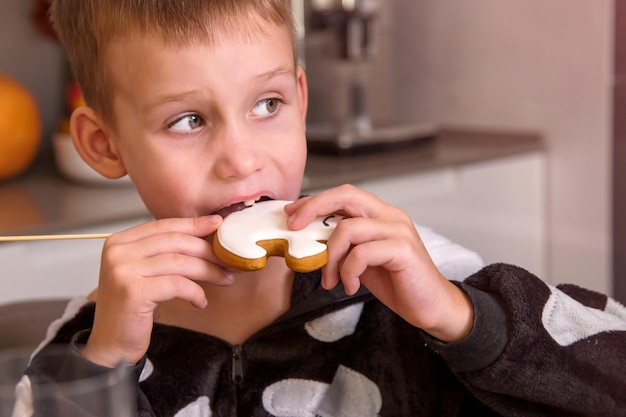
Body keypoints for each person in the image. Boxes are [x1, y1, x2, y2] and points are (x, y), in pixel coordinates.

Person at [17, 0, 625, 416]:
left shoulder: (413, 280)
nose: (241, 159)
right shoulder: (90, 341)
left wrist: (461, 317)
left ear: (301, 101)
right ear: (104, 144)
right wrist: (102, 369)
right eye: (188, 120)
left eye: (267, 104)